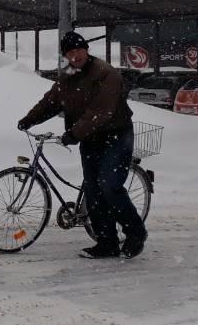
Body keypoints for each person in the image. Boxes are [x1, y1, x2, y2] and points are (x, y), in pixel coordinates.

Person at [18, 30, 147, 259]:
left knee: (109, 186)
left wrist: (73, 134)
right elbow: (52, 101)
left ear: (86, 50)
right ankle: (106, 242)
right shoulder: (68, 73)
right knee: (93, 190)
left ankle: (136, 233)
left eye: (78, 50)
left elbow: (100, 112)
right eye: (70, 52)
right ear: (65, 56)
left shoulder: (106, 74)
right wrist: (29, 119)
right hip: (90, 138)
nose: (75, 55)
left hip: (115, 136)